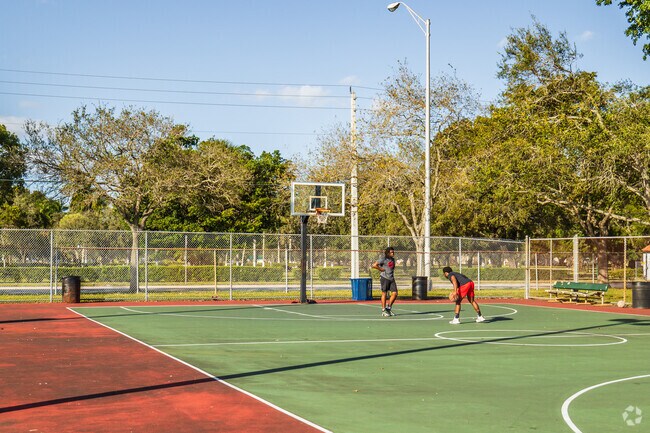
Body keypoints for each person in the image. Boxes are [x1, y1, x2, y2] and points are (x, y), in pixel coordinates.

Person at [372, 247, 398, 317]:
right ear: (387, 253)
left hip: (391, 278)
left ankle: (388, 308)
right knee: (384, 293)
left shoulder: (393, 259)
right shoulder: (383, 259)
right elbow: (374, 265)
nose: (393, 253)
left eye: (393, 252)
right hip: (384, 278)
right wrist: (380, 269)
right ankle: (383, 310)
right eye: (391, 252)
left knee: (395, 293)